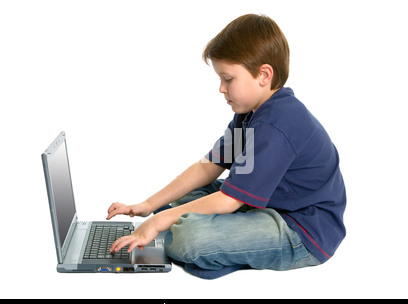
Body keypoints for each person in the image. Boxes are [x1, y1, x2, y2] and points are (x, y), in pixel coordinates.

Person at [107, 14, 346, 279]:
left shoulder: (279, 124)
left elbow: (230, 200)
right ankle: (165, 228)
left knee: (190, 237)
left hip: (301, 230)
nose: (221, 88)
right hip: (266, 204)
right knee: (178, 203)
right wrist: (148, 205)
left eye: (228, 78)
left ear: (264, 75)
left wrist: (158, 221)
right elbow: (208, 167)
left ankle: (178, 235)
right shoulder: (249, 114)